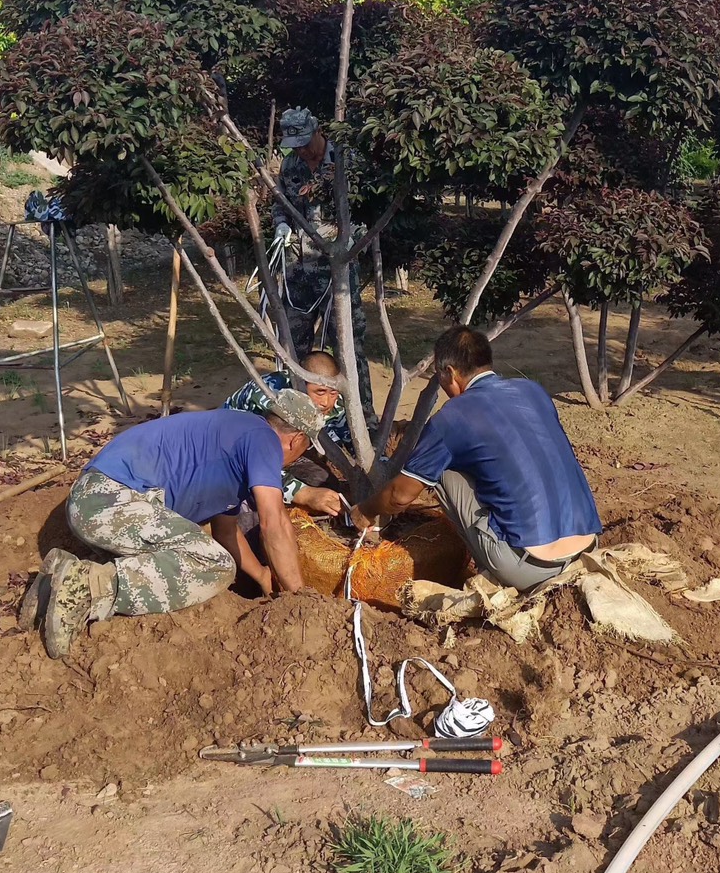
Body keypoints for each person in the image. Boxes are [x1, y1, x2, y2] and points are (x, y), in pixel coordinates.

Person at [18, 390, 323, 659]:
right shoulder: (263, 439)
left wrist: (262, 576)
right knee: (215, 565)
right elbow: (273, 522)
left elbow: (226, 531)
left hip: (100, 501)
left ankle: (58, 579)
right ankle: (86, 585)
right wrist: (299, 597)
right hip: (110, 499)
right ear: (296, 440)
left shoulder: (236, 441)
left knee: (196, 554)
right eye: (304, 449)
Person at [350, 326, 601, 591]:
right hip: (587, 551)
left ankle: (491, 572)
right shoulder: (533, 392)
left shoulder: (452, 417)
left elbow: (399, 496)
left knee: (440, 471)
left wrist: (364, 510)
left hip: (531, 569)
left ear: (449, 373)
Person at [273, 106, 375, 426]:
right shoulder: (291, 165)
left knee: (348, 350)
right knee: (295, 350)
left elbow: (368, 206)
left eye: (305, 141)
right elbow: (281, 207)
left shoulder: (346, 161)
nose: (302, 150)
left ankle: (362, 422)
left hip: (338, 273)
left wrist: (354, 240)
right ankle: (298, 421)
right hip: (299, 274)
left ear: (319, 131)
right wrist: (281, 226)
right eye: (296, 144)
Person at [222, 350, 351, 516]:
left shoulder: (337, 403)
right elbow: (255, 461)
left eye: (333, 393)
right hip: (234, 455)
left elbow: (350, 439)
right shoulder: (269, 399)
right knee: (256, 508)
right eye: (319, 392)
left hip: (287, 452)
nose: (326, 402)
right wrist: (303, 493)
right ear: (298, 383)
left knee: (324, 486)